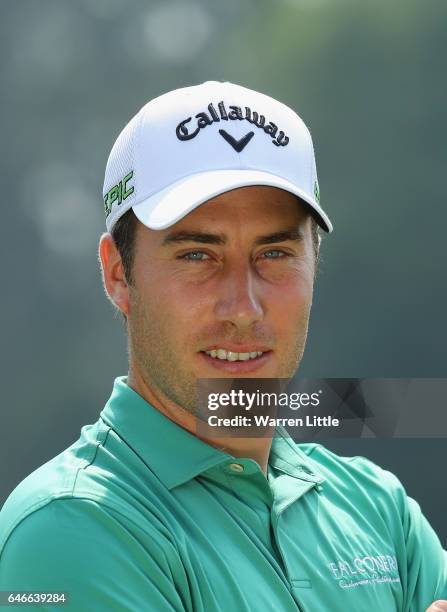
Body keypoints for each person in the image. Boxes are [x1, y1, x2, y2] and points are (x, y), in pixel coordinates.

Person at [0, 81, 445, 611]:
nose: (243, 307)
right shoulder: (69, 526)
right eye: (197, 256)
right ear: (119, 274)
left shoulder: (378, 508)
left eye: (275, 253)